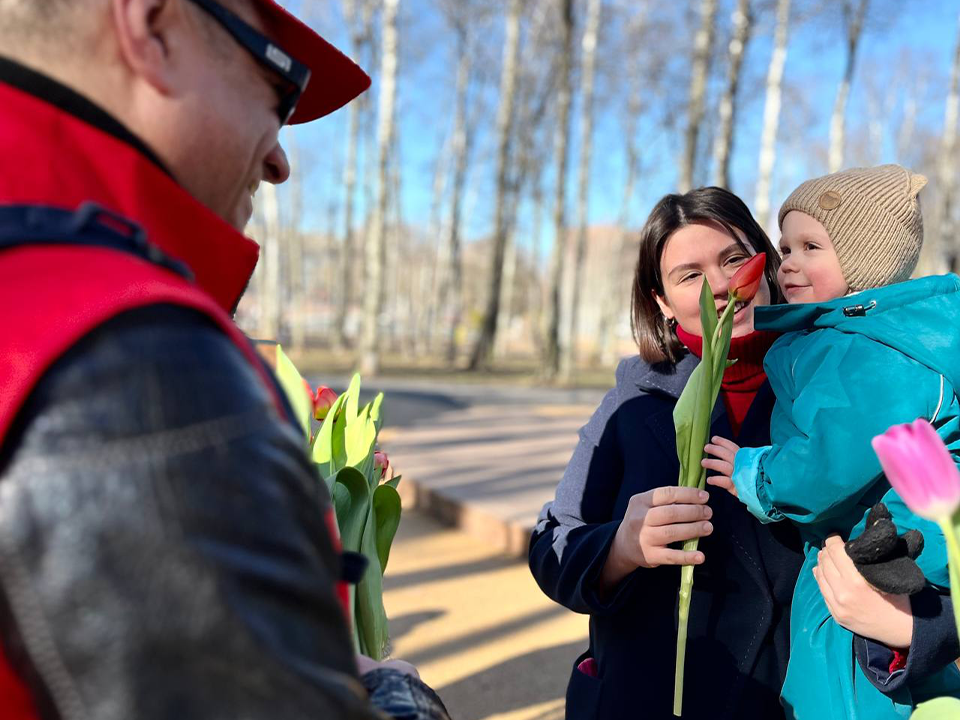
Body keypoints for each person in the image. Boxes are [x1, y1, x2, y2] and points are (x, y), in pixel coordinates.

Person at [0, 1, 447, 718]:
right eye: (281, 89)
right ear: (150, 26)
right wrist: (396, 691)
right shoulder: (132, 357)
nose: (279, 160)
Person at [528, 186, 960, 720]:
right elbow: (553, 548)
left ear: (770, 265)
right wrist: (620, 547)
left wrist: (914, 629)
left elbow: (939, 536)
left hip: (788, 699)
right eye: (688, 274)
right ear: (660, 302)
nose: (721, 285)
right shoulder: (631, 403)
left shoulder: (848, 386)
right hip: (647, 697)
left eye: (735, 258)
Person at [704, 164, 960, 718]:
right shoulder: (854, 337)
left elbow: (829, 465)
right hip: (863, 554)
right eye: (784, 246)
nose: (787, 261)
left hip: (886, 555)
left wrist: (757, 474)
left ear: (864, 259)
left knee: (846, 691)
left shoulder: (872, 352)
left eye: (811, 246)